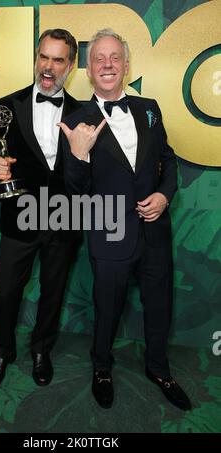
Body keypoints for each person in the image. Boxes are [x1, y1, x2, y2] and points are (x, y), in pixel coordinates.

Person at [59, 29, 191, 410]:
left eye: (115, 57)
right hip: (109, 233)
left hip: (154, 233)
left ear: (126, 65)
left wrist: (165, 195)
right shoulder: (76, 120)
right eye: (99, 58)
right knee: (108, 308)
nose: (107, 64)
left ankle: (159, 368)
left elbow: (168, 160)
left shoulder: (149, 107)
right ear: (87, 69)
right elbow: (74, 192)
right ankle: (102, 368)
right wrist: (81, 156)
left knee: (159, 304)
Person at [0, 29, 81, 389]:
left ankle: (42, 350)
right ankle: (3, 351)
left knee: (53, 292)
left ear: (70, 65)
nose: (48, 66)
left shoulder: (83, 112)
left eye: (58, 59)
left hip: (65, 220)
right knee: (7, 291)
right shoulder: (7, 105)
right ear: (36, 57)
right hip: (18, 219)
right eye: (44, 57)